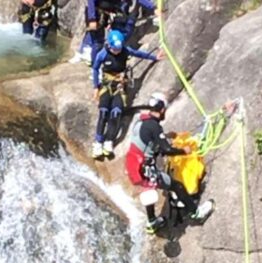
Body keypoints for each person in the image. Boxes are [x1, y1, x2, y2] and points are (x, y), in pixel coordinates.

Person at [125, 93, 214, 234]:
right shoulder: (154, 126)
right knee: (177, 186)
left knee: (148, 189)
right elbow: (166, 150)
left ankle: (152, 222)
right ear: (161, 110)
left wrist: (164, 138)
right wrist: (183, 150)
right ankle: (196, 213)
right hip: (146, 170)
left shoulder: (140, 123)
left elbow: (147, 142)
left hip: (133, 167)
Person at [91, 30, 161, 160]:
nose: (117, 51)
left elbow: (138, 53)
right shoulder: (103, 54)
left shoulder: (125, 50)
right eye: (114, 49)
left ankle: (109, 140)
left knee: (116, 112)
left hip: (120, 86)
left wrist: (154, 57)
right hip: (107, 86)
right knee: (103, 112)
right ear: (109, 45)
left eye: (118, 49)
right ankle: (98, 141)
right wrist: (96, 87)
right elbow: (95, 68)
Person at [82, 0, 161, 64]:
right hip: (98, 11)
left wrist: (154, 9)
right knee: (97, 42)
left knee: (121, 34)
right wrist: (92, 19)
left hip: (113, 10)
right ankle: (92, 59)